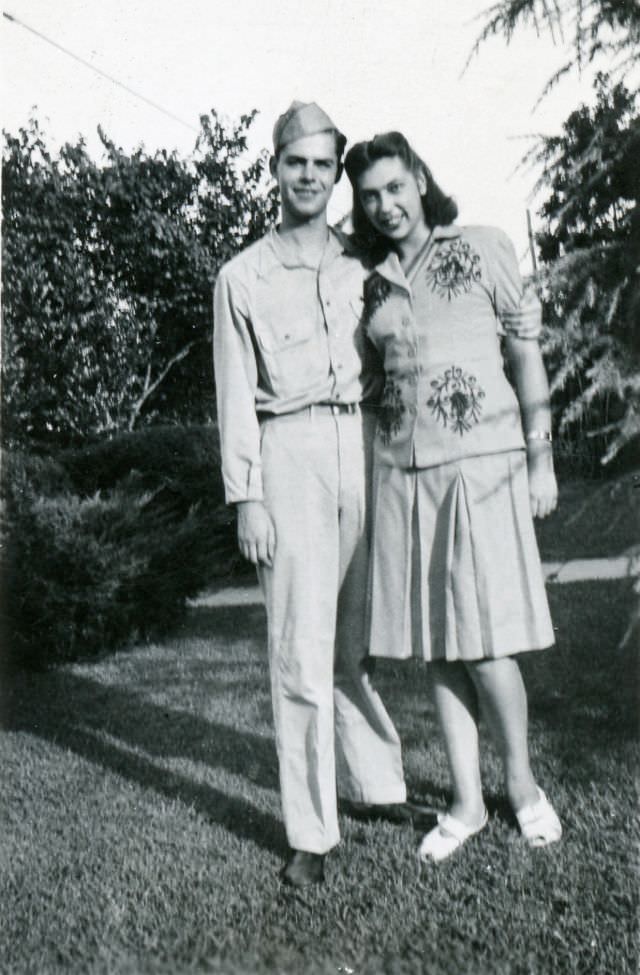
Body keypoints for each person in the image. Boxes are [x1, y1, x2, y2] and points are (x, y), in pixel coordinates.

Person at [344, 131, 562, 862]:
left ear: (419, 178)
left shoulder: (483, 245)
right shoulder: (366, 281)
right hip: (403, 475)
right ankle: (468, 803)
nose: (386, 205)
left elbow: (525, 354)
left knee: (489, 643)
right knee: (437, 649)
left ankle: (524, 788)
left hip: (482, 466)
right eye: (371, 195)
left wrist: (542, 460)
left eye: (395, 187)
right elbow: (372, 386)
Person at [213, 104, 408, 887]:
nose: (310, 176)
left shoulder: (365, 262)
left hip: (361, 444)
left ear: (337, 176)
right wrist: (246, 497)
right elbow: (233, 397)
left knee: (350, 644)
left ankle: (381, 784)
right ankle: (311, 831)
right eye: (296, 161)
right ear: (275, 167)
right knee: (299, 647)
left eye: (324, 165)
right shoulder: (242, 275)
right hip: (287, 449)